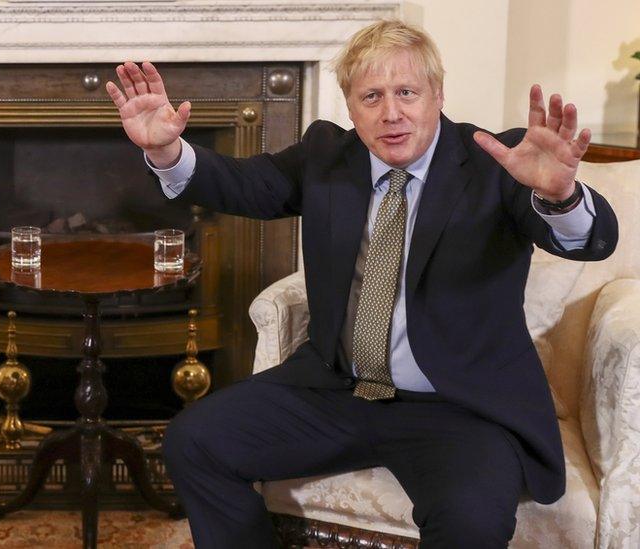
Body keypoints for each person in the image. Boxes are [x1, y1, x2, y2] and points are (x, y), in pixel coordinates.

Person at [106, 20, 617, 548]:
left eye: (406, 93)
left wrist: (561, 197)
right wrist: (167, 152)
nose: (391, 113)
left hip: (459, 408)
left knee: (471, 521)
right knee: (195, 442)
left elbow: (590, 240)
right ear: (350, 107)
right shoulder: (328, 157)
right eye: (371, 96)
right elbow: (244, 184)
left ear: (437, 95)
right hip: (338, 391)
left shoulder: (495, 162)